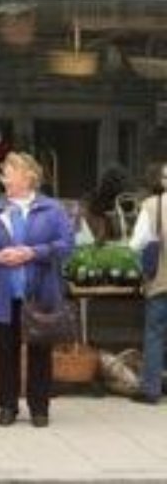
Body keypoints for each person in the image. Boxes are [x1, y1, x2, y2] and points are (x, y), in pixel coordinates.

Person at [0, 152, 75, 428]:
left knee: (40, 352)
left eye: (9, 171)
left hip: (40, 293)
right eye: (4, 171)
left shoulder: (51, 209)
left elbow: (66, 245)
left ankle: (39, 408)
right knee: (5, 351)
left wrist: (33, 252)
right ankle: (7, 406)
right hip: (5, 294)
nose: (3, 176)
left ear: (27, 176)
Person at [128, 161, 167, 405]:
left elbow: (137, 244)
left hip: (161, 281)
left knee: (155, 334)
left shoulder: (153, 206)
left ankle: (151, 389)